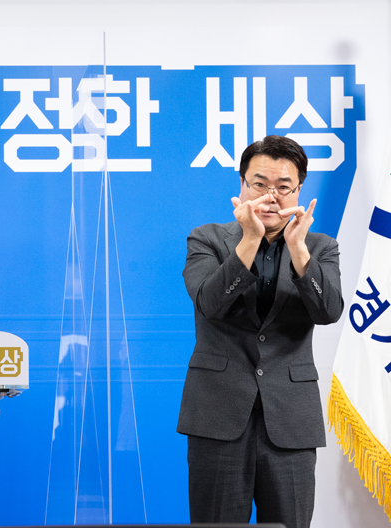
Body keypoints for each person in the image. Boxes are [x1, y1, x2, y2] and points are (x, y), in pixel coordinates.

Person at [178, 135, 344, 528]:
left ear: (299, 190)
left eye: (283, 187)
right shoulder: (207, 239)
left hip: (290, 420)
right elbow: (210, 304)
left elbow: (328, 311)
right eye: (259, 184)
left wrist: (299, 251)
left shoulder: (320, 247)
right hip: (218, 415)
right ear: (242, 184)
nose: (271, 197)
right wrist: (250, 239)